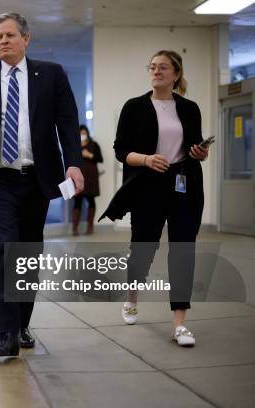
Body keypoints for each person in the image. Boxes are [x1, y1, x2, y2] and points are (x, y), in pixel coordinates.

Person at [0, 13, 84, 357]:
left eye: (10, 35)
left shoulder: (50, 74)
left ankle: (22, 322)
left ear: (26, 39)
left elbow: (67, 121)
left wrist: (73, 163)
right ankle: (6, 332)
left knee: (28, 253)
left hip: (37, 179)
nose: (3, 41)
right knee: (2, 250)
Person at [100, 50, 208, 347]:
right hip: (147, 185)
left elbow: (194, 146)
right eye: (152, 67)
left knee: (184, 248)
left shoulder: (189, 108)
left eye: (163, 68)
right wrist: (147, 160)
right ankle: (132, 297)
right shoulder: (134, 107)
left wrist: (201, 151)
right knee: (143, 247)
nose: (156, 71)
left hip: (184, 184)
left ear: (176, 74)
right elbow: (121, 150)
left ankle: (180, 324)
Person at [73, 125, 103, 236]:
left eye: (84, 133)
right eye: (80, 133)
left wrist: (89, 155)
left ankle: (90, 227)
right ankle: (75, 229)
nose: (82, 135)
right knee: (77, 202)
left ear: (87, 133)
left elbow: (100, 159)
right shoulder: (75, 146)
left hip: (91, 178)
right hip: (79, 177)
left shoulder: (94, 145)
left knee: (91, 201)